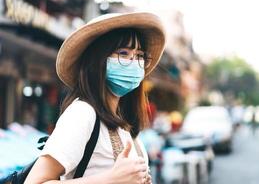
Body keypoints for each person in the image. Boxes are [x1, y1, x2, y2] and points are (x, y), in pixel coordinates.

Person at [24, 12, 166, 184]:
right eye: (123, 53)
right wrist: (112, 178)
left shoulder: (124, 125)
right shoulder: (83, 113)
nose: (133, 62)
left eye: (139, 56)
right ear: (98, 60)